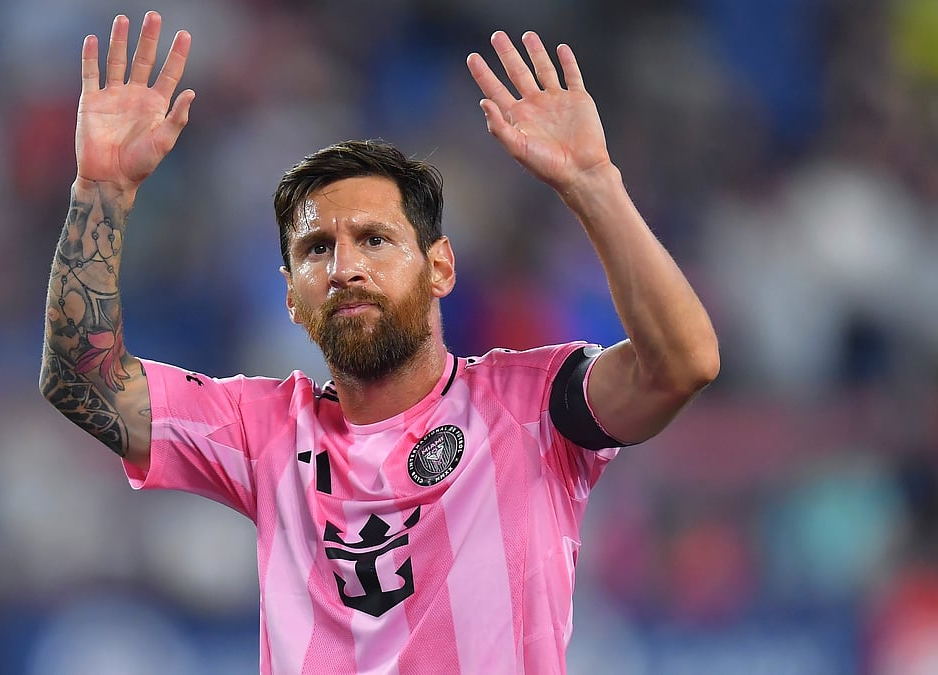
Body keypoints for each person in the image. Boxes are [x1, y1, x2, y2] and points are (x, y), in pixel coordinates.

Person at [40, 11, 719, 674]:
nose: (345, 267)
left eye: (374, 239)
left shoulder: (536, 405)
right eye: (316, 249)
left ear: (441, 267)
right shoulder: (266, 430)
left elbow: (681, 364)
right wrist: (101, 191)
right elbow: (85, 382)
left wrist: (593, 183)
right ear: (290, 294)